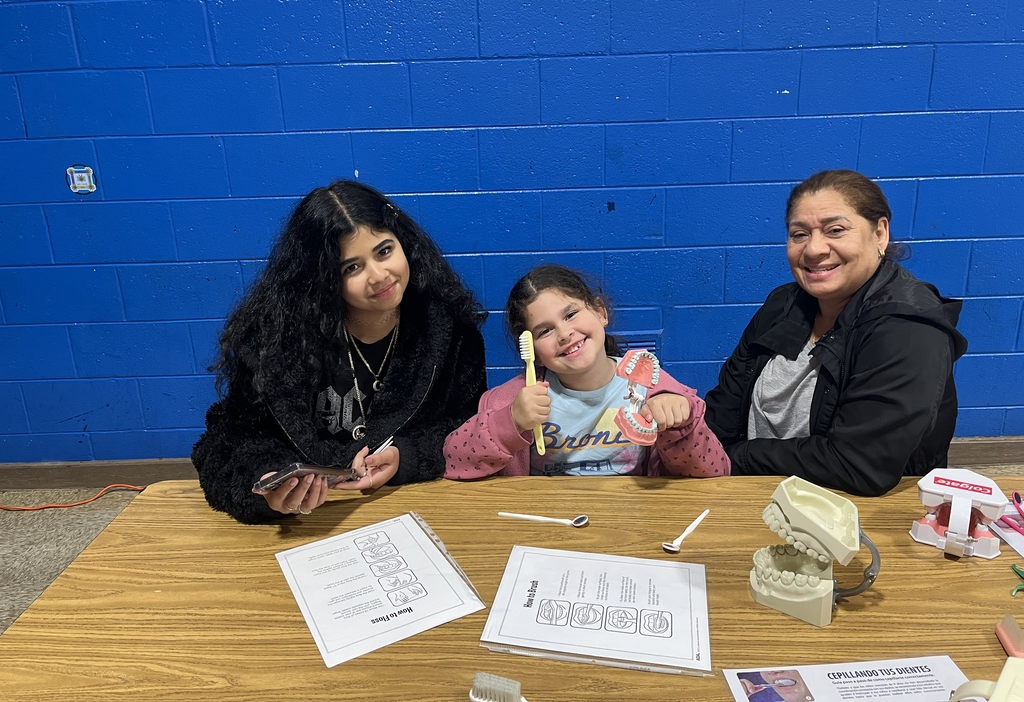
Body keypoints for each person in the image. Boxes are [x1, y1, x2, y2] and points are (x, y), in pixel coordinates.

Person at [192, 179, 487, 523]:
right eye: (352, 267)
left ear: (404, 243)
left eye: (384, 251)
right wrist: (265, 490)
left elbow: (470, 427)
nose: (379, 276)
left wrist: (405, 458)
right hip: (308, 523)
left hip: (417, 507)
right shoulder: (276, 342)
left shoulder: (449, 330)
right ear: (323, 278)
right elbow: (226, 445)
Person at [705, 169, 967, 496]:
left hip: (857, 511)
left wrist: (735, 459)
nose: (814, 249)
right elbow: (724, 409)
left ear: (880, 234)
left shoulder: (908, 327)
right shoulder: (782, 303)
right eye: (799, 234)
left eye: (836, 230)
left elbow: (858, 465)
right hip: (757, 490)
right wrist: (701, 455)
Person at [444, 264, 730, 479]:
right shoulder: (512, 401)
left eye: (570, 315)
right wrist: (511, 422)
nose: (565, 333)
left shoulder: (650, 387)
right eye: (545, 330)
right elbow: (452, 461)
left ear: (600, 313)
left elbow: (717, 474)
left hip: (635, 519)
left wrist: (681, 425)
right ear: (531, 350)